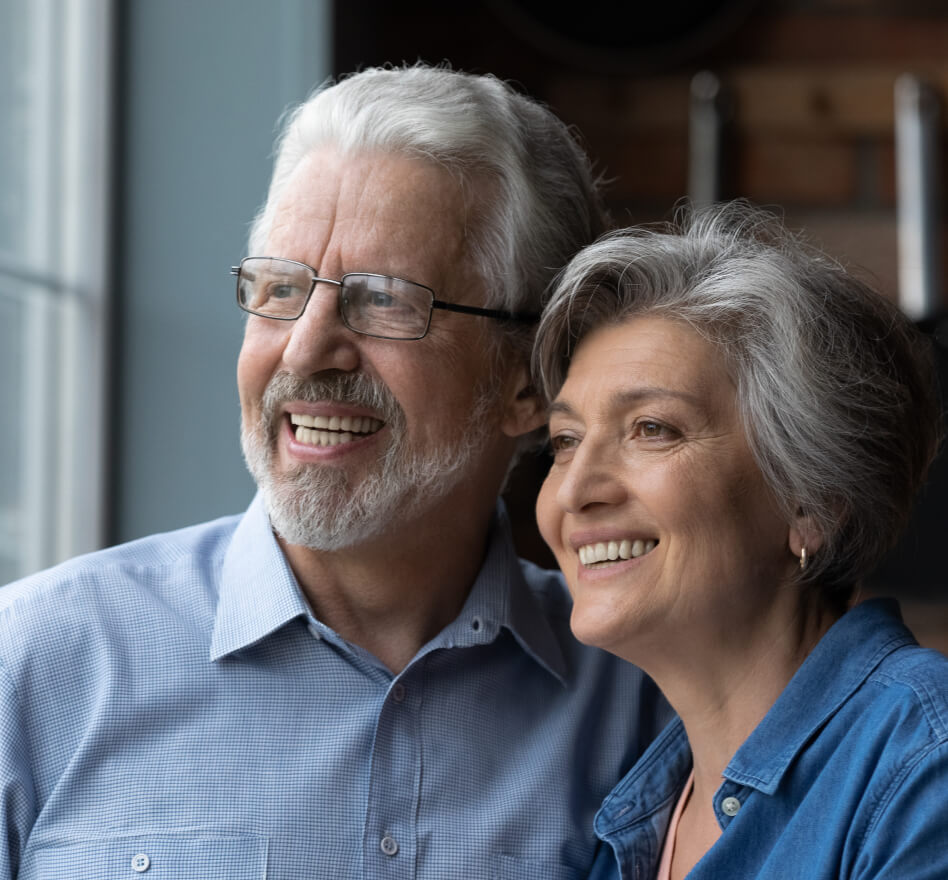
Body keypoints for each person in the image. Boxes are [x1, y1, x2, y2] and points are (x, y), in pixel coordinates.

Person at [0, 65, 671, 879]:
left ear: (527, 379)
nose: (307, 347)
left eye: (385, 300)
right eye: (280, 287)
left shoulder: (645, 699)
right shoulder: (35, 663)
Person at [532, 201, 948, 880]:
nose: (575, 490)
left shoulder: (921, 766)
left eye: (652, 429)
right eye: (565, 440)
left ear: (811, 502)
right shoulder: (632, 823)